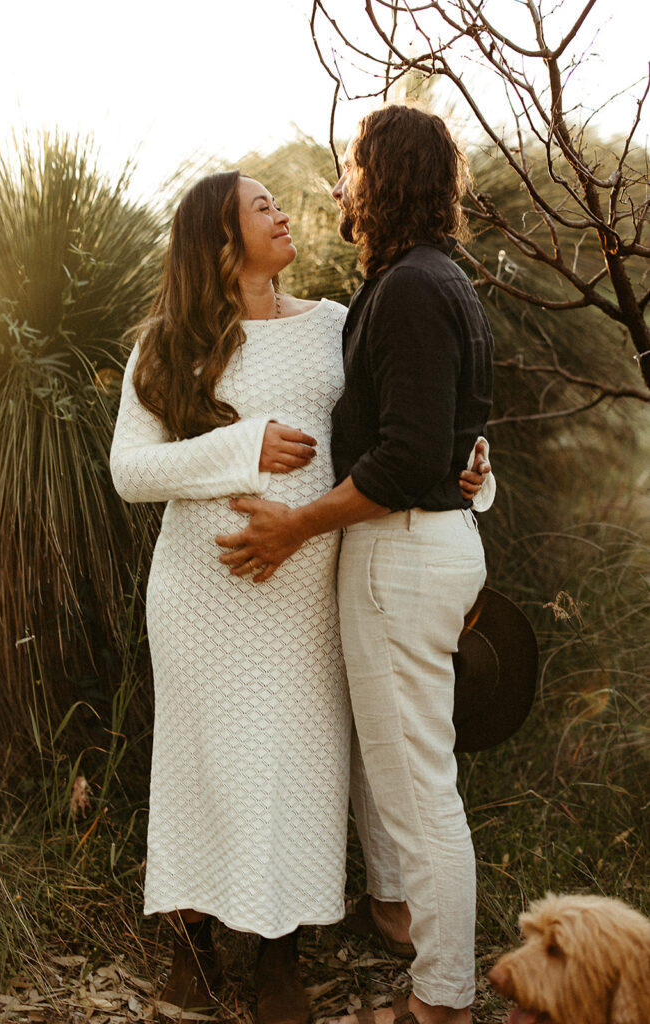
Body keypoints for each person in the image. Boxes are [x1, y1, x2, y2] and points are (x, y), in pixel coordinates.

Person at [110, 167, 490, 1022]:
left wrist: (468, 466)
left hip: (309, 587)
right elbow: (129, 471)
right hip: (203, 593)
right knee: (201, 766)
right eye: (262, 207)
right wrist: (243, 447)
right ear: (218, 237)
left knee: (300, 768)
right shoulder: (169, 341)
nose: (283, 215)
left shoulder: (333, 323)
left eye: (279, 203)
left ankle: (281, 955)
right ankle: (192, 947)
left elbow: (405, 420)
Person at [216, 105, 494, 1024]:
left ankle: (442, 1002)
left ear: (385, 177)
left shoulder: (411, 288)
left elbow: (408, 460)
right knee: (408, 776)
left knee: (419, 791)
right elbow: (444, 436)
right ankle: (405, 926)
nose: (340, 186)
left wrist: (293, 530)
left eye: (351, 168)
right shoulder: (434, 279)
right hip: (427, 543)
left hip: (402, 554)